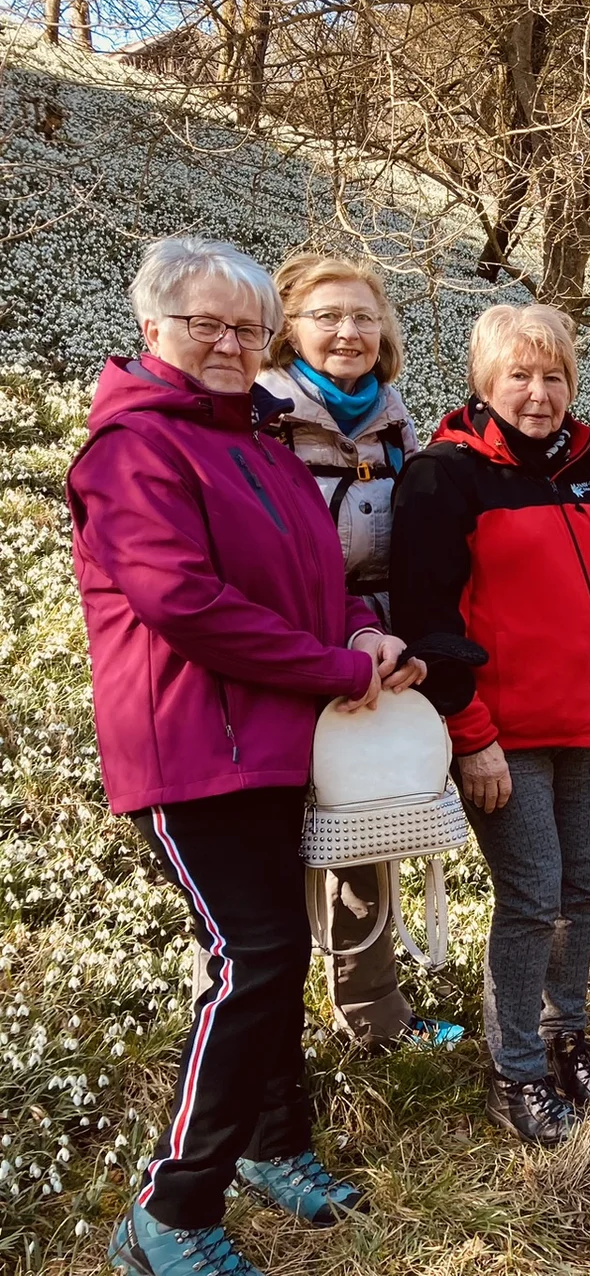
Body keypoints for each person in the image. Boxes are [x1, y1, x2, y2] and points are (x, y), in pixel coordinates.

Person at [69, 237, 423, 1276]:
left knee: (267, 959)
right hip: (191, 747)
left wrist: (358, 630)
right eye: (204, 326)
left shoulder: (259, 444)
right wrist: (330, 665)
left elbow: (311, 573)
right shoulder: (134, 450)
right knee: (253, 961)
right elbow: (185, 603)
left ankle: (276, 1147)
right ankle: (170, 1210)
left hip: (270, 743)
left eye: (243, 328)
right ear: (154, 333)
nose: (228, 345)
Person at [390, 302, 590, 1145]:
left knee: (582, 885)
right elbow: (428, 618)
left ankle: (565, 1036)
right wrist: (470, 734)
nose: (539, 392)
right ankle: (514, 1072)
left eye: (554, 376)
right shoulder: (443, 476)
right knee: (532, 894)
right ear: (484, 380)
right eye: (519, 375)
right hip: (504, 733)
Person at [257, 251, 461, 1051]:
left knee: (367, 825)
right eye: (327, 316)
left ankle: (372, 1016)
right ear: (289, 331)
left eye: (364, 317)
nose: (348, 332)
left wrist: (408, 648)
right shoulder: (261, 416)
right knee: (268, 847)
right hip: (288, 649)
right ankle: (260, 1034)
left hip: (378, 651)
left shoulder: (398, 420)